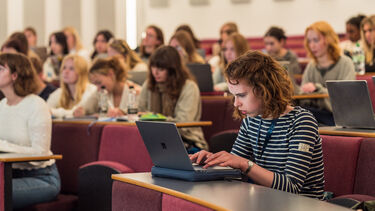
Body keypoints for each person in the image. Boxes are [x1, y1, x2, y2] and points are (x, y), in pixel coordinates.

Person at [190, 50, 324, 200]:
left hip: (302, 204)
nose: (236, 103)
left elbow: (290, 187)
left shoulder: (302, 121)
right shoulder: (251, 120)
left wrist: (245, 164)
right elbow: (235, 169)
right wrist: (212, 162)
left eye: (241, 95)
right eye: (233, 96)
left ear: (265, 90)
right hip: (265, 201)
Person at [0, 53, 60, 209]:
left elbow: (41, 154)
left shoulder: (36, 105)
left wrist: (4, 146)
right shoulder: (1, 105)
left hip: (42, 178)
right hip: (8, 175)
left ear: (15, 75)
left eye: (0, 69)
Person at [138, 46, 207, 151]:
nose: (155, 72)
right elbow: (139, 112)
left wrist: (155, 118)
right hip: (155, 140)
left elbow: (183, 123)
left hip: (187, 141)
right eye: (153, 67)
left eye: (161, 69)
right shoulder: (149, 84)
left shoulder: (189, 87)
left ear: (172, 70)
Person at [301, 21, 355, 126]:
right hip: (316, 115)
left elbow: (345, 98)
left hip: (339, 118)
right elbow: (303, 97)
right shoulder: (311, 65)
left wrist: (317, 89)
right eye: (309, 41)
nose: (312, 45)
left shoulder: (346, 63)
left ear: (328, 40)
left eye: (316, 40)